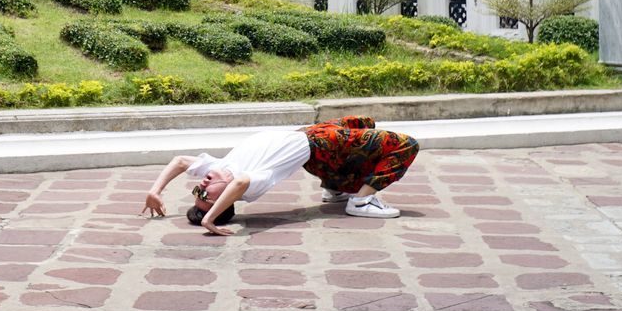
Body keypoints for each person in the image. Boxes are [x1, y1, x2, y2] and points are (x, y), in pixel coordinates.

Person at [140, 116, 418, 235]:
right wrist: (210, 219)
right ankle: (361, 201)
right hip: (322, 145)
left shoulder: (218, 167)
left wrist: (156, 191)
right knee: (406, 145)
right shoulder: (249, 182)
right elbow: (240, 184)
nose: (200, 187)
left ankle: (338, 186)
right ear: (223, 199)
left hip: (308, 135)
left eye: (196, 192)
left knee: (363, 122)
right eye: (205, 196)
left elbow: (179, 161)